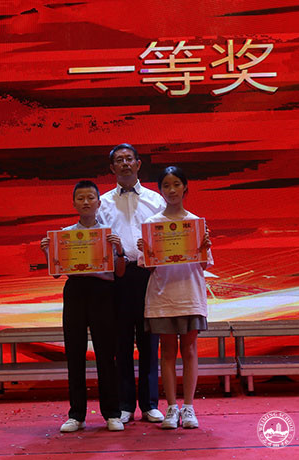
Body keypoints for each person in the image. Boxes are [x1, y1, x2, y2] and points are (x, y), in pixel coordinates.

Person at [40, 180, 126, 433]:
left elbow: (120, 272)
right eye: (81, 198)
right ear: (74, 203)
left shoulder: (109, 234)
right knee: (74, 353)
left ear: (99, 202)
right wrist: (48, 253)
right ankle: (76, 415)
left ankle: (112, 413)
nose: (86, 202)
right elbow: (57, 273)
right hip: (75, 291)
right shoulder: (65, 235)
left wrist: (119, 250)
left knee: (106, 354)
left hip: (103, 292)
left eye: (90, 198)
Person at [137, 166, 212, 430]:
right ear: (160, 190)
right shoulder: (152, 225)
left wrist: (204, 247)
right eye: (166, 185)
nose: (171, 190)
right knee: (167, 352)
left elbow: (204, 264)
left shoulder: (196, 223)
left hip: (190, 293)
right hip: (162, 295)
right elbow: (147, 267)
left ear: (185, 188)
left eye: (176, 184)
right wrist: (146, 250)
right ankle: (171, 407)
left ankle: (188, 407)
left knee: (189, 351)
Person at [97, 143, 166, 424]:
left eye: (129, 159)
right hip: (117, 277)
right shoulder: (101, 203)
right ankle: (125, 404)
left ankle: (150, 404)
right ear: (112, 168)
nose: (125, 164)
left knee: (149, 340)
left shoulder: (156, 200)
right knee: (121, 342)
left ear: (138, 164)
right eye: (119, 160)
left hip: (149, 275)